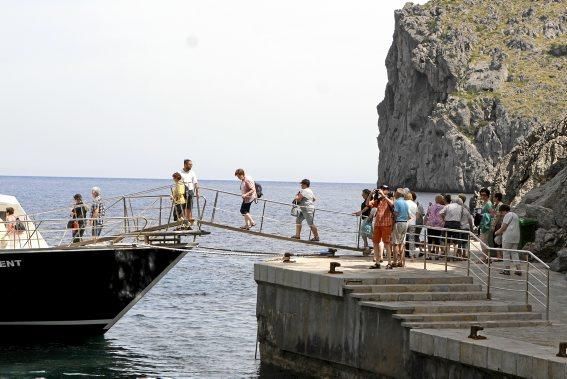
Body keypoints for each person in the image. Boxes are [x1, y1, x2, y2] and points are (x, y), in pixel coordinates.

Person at [367, 185, 394, 269]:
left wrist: (384, 195)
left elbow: (392, 204)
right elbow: (367, 204)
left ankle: (389, 263)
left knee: (387, 244)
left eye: (384, 189)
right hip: (377, 224)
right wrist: (370, 194)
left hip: (386, 224)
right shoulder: (378, 200)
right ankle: (377, 263)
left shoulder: (390, 198)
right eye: (381, 189)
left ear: (388, 191)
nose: (382, 190)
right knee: (375, 243)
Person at [494, 205, 522, 276]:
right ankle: (518, 269)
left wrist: (497, 232)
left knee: (506, 253)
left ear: (504, 211)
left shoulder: (507, 215)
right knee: (514, 253)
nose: (501, 214)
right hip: (516, 237)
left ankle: (507, 270)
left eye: (501, 212)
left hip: (508, 237)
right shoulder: (515, 215)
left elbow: (504, 227)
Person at [391, 189, 410, 268]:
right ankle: (401, 261)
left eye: (395, 193)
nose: (394, 194)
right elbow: (408, 215)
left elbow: (396, 213)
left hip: (398, 222)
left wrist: (392, 221)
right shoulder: (406, 202)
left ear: (397, 194)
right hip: (405, 222)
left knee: (395, 243)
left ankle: (395, 261)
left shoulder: (396, 202)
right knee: (401, 243)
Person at [353, 189, 373, 255]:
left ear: (367, 194)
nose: (362, 195)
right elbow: (364, 208)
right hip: (365, 219)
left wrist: (360, 212)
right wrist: (358, 212)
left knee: (369, 235)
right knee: (363, 234)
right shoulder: (366, 201)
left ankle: (376, 247)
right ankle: (366, 248)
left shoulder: (370, 201)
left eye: (363, 194)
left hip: (368, 219)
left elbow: (367, 207)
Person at [180, 159, 199, 223]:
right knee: (183, 205)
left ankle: (189, 219)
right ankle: (183, 220)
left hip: (190, 190)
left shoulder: (192, 172)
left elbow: (195, 182)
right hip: (182, 190)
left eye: (191, 165)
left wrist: (197, 192)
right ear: (185, 164)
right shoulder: (180, 172)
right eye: (189, 164)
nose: (191, 166)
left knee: (190, 205)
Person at [478, 188, 493, 257]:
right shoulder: (485, 203)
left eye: (484, 195)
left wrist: (483, 215)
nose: (483, 196)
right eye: (481, 195)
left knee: (483, 241)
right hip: (483, 224)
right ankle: (486, 257)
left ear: (488, 195)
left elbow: (492, 214)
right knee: (484, 241)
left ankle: (485, 257)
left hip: (486, 225)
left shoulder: (488, 204)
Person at [404, 192, 418, 258]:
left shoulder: (404, 203)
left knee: (403, 237)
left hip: (405, 221)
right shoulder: (414, 204)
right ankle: (411, 253)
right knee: (411, 238)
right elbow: (416, 214)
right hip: (413, 223)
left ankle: (403, 252)